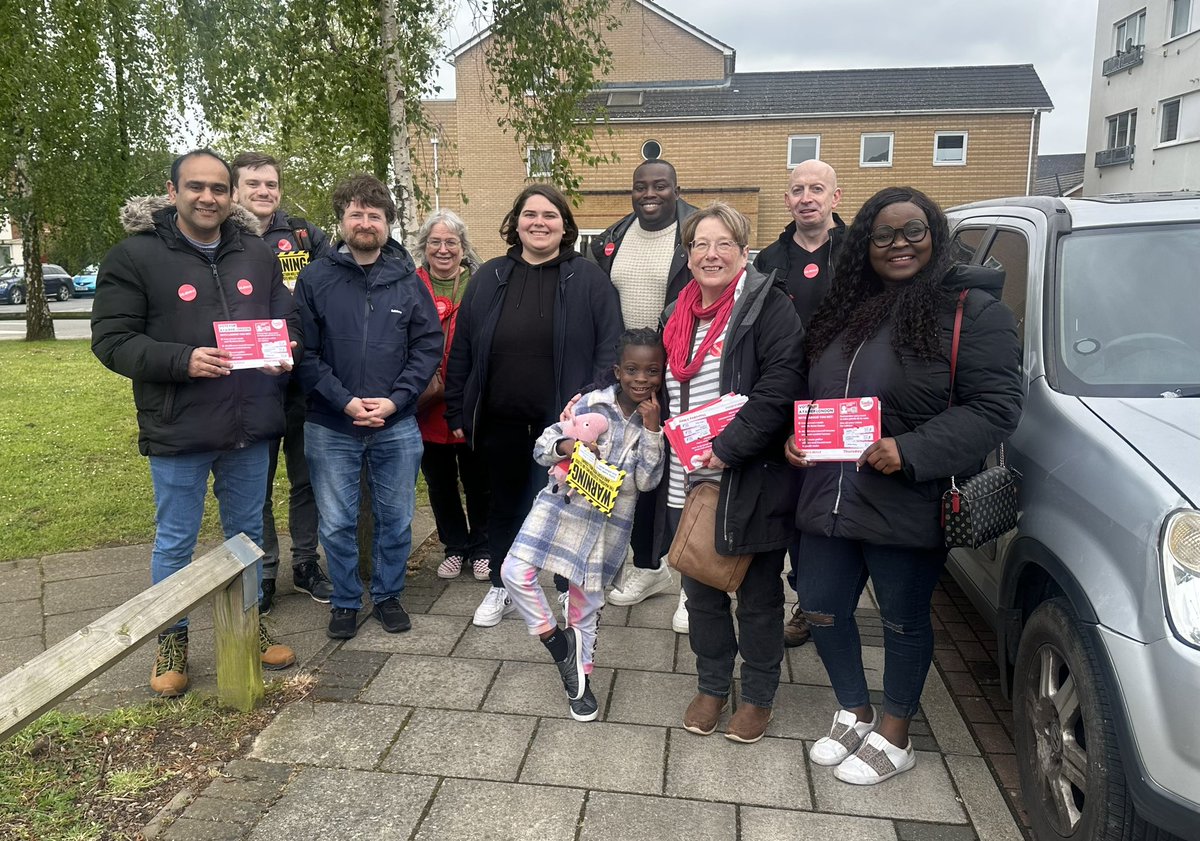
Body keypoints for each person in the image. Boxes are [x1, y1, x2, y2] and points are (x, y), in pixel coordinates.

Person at [787, 186, 1022, 784]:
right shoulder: (844, 310)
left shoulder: (972, 311)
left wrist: (910, 449)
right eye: (883, 234)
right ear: (864, 243)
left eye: (913, 231)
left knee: (901, 618)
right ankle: (853, 706)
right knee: (820, 605)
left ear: (935, 237)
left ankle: (896, 732)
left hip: (905, 495)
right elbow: (814, 392)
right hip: (826, 490)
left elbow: (996, 406)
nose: (898, 245)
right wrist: (796, 436)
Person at [92, 149, 300, 697]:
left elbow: (282, 318)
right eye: (196, 187)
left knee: (248, 535)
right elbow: (112, 341)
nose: (208, 197)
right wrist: (181, 360)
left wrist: (284, 349)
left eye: (217, 188)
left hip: (250, 423)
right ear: (172, 191)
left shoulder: (255, 252)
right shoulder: (134, 256)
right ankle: (172, 639)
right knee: (176, 541)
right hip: (178, 423)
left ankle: (247, 631)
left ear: (231, 195)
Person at [444, 184, 623, 629]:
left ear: (565, 226)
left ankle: (567, 592)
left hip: (566, 427)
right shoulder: (490, 277)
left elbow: (610, 348)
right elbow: (462, 348)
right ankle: (502, 587)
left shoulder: (589, 279)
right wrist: (457, 411)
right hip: (500, 420)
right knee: (503, 505)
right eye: (530, 214)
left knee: (570, 505)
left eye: (550, 215)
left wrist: (595, 407)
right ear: (515, 222)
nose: (539, 222)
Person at [659, 202, 804, 744]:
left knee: (759, 597)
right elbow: (663, 379)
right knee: (701, 595)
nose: (710, 254)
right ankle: (713, 685)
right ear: (689, 255)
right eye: (700, 244)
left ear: (745, 253)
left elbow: (780, 385)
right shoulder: (678, 310)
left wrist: (730, 446)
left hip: (748, 478)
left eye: (724, 244)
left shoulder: (769, 307)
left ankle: (760, 695)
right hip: (688, 479)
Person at [294, 174, 442, 641]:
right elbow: (305, 353)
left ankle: (387, 595)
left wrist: (397, 399)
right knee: (336, 523)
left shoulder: (408, 282)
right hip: (331, 423)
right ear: (341, 220)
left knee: (396, 518)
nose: (364, 222)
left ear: (387, 224)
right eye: (355, 213)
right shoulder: (315, 278)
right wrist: (345, 401)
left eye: (374, 215)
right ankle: (344, 600)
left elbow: (427, 346)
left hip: (395, 423)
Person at [501, 329, 666, 720]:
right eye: (632, 369)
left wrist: (654, 429)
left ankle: (581, 683)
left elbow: (647, 481)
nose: (641, 379)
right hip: (562, 508)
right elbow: (544, 447)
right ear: (617, 370)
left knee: (585, 606)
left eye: (652, 371)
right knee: (514, 572)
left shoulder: (654, 418)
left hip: (610, 524)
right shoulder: (592, 403)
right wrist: (567, 446)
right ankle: (559, 645)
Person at [588, 159, 697, 627]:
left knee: (690, 474)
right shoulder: (611, 239)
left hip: (684, 370)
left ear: (676, 189)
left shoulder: (692, 234)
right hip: (631, 374)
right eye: (641, 186)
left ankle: (695, 583)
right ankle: (649, 566)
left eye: (661, 185)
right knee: (637, 469)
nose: (650, 193)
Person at [231, 151, 334, 613]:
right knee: (255, 483)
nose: (263, 192)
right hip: (247, 386)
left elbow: (336, 285)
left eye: (270, 184)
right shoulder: (223, 238)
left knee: (306, 479)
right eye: (253, 183)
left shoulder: (304, 236)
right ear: (235, 190)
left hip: (302, 380)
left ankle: (306, 564)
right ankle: (265, 570)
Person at [753, 159, 847, 649]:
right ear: (787, 201)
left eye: (816, 188)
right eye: (796, 190)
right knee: (789, 506)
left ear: (836, 197)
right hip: (786, 399)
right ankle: (803, 598)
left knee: (832, 506)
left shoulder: (859, 255)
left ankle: (825, 600)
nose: (806, 197)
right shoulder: (769, 261)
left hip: (844, 402)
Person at [412, 210, 491, 581]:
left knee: (478, 478)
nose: (443, 250)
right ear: (424, 247)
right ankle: (455, 545)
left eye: (451, 242)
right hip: (425, 402)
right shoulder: (410, 284)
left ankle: (483, 546)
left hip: (470, 400)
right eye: (435, 242)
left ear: (463, 247)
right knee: (440, 480)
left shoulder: (481, 285)